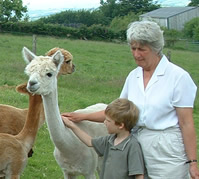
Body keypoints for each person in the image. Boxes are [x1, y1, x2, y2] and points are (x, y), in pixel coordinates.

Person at [62, 20, 199, 178]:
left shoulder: (178, 77)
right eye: (133, 48)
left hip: (166, 151)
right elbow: (118, 113)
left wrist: (193, 162)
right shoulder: (133, 77)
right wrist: (81, 116)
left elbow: (186, 123)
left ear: (156, 49)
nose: (136, 54)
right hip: (134, 145)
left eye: (142, 49)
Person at [62, 98, 145, 179]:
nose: (104, 122)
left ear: (120, 125)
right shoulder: (109, 140)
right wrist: (71, 125)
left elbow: (138, 174)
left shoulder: (132, 146)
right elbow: (89, 141)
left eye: (108, 121)